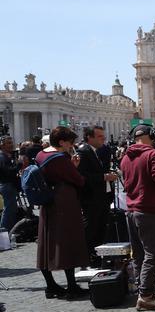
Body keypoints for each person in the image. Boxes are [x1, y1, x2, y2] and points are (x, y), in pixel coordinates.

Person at [120, 125, 155, 311]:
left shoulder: (126, 157)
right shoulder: (153, 154)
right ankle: (145, 295)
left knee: (138, 254)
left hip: (131, 209)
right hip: (149, 210)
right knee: (154, 253)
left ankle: (143, 292)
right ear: (152, 136)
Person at [35, 126, 88, 299]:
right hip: (63, 202)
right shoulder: (59, 159)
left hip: (47, 203)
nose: (72, 145)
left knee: (46, 242)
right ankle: (71, 286)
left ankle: (51, 285)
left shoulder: (41, 154)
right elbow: (78, 180)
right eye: (71, 142)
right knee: (68, 242)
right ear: (62, 142)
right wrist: (75, 167)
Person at [77, 126, 117, 265]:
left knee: (101, 229)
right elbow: (82, 176)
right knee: (92, 230)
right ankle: (88, 259)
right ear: (90, 137)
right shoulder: (83, 151)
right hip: (91, 198)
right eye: (100, 136)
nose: (104, 139)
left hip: (102, 197)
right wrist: (103, 177)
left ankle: (97, 257)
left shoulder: (95, 151)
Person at [0, 136, 19, 233]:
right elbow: (7, 171)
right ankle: (3, 233)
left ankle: (8, 232)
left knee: (11, 209)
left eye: (11, 142)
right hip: (6, 185)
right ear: (2, 145)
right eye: (8, 143)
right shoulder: (2, 157)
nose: (11, 145)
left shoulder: (7, 155)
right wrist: (18, 165)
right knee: (8, 210)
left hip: (9, 185)